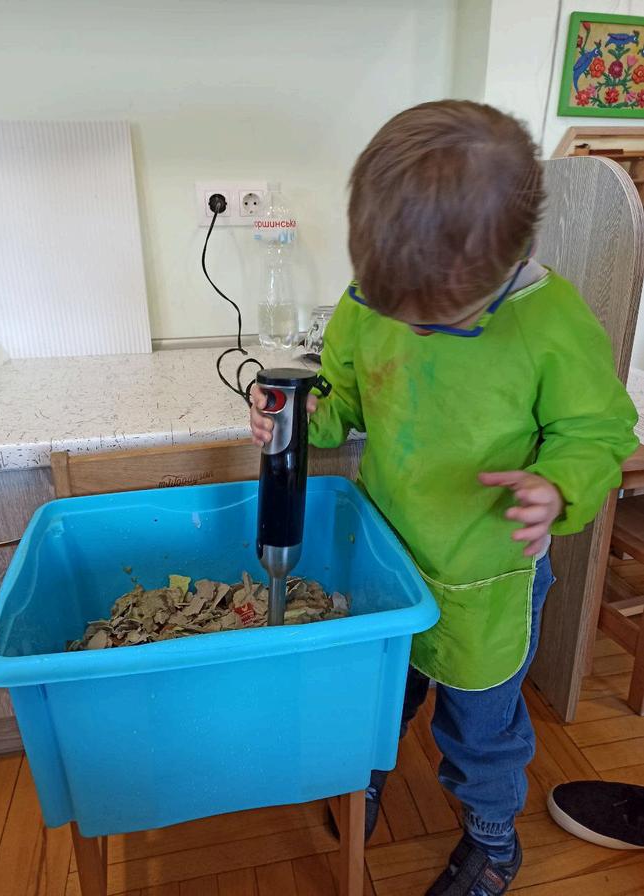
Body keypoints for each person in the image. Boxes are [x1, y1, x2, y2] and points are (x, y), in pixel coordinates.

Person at [250, 101, 638, 896]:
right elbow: (344, 401)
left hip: (485, 581)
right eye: (397, 310)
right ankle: (362, 774)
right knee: (377, 698)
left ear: (511, 258)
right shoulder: (369, 300)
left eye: (441, 321)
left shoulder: (550, 323)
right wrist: (294, 415)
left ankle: (491, 839)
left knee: (478, 732)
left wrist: (556, 486)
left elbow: (598, 433)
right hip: (388, 560)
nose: (413, 329)